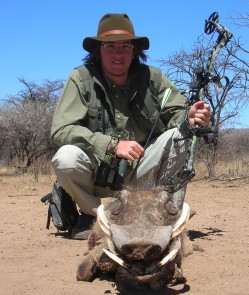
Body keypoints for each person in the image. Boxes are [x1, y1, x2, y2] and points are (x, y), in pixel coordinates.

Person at [51, 13, 211, 240]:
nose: (118, 53)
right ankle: (95, 217)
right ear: (98, 51)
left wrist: (190, 117)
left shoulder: (153, 78)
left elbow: (176, 113)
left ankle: (158, 211)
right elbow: (61, 129)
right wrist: (110, 145)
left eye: (125, 46)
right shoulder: (81, 78)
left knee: (181, 136)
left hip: (143, 167)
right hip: (97, 172)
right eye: (110, 46)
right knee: (66, 157)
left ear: (134, 50)